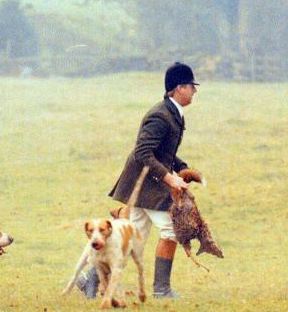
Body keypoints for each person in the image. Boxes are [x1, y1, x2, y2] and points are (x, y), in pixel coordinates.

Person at [77, 62, 199, 298]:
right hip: (146, 185)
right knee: (171, 229)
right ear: (178, 88)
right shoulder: (160, 116)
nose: (195, 91)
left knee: (130, 239)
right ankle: (161, 290)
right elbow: (143, 152)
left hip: (145, 184)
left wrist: (182, 168)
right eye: (191, 86)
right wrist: (170, 179)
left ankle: (88, 280)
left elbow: (162, 151)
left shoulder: (172, 113)